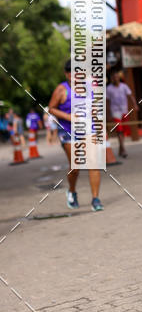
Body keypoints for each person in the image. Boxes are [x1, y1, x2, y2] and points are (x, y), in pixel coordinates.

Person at [47, 59, 103, 211]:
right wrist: (68, 117)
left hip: (88, 129)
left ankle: (96, 199)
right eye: (71, 72)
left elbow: (94, 108)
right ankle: (72, 191)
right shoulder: (61, 89)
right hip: (68, 131)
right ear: (66, 74)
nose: (75, 75)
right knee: (76, 166)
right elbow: (51, 108)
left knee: (93, 162)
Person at [106, 69, 137, 158]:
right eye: (113, 77)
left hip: (124, 110)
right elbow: (107, 101)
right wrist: (108, 113)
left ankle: (121, 148)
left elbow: (130, 96)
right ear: (111, 78)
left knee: (122, 131)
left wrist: (135, 105)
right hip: (115, 111)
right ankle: (123, 149)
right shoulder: (109, 89)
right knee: (119, 130)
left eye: (116, 77)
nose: (115, 79)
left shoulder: (124, 86)